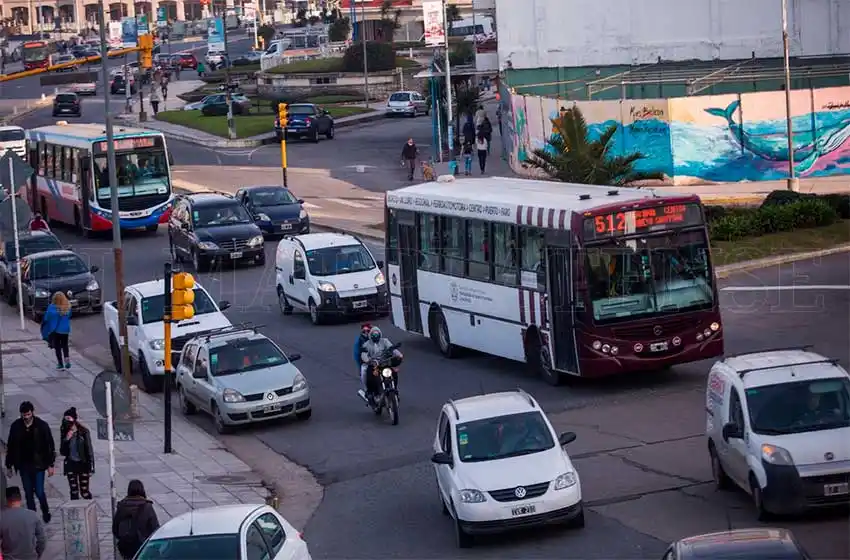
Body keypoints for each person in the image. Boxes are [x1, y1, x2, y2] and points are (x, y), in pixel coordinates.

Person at [4, 402, 56, 524]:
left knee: (39, 491)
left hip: (38, 465)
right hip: (23, 465)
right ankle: (32, 516)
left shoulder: (41, 426)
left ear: (32, 412)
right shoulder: (16, 427)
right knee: (28, 492)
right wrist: (9, 465)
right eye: (24, 415)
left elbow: (49, 446)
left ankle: (45, 511)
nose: (26, 417)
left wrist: (50, 464)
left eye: (28, 414)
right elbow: (11, 446)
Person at [113, 480, 160, 560]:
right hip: (142, 547)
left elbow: (115, 529)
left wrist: (125, 538)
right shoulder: (147, 507)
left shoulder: (121, 507)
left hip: (125, 547)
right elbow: (155, 529)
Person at [0, 486, 46, 560]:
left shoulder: (2, 517)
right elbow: (42, 541)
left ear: (6, 499)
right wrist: (37, 555)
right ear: (20, 498)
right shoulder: (33, 515)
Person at [59, 408, 94, 501]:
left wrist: (91, 467)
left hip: (83, 464)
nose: (67, 421)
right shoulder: (64, 431)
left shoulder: (84, 432)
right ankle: (75, 511)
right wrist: (66, 439)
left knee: (84, 491)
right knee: (73, 491)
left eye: (69, 418)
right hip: (71, 464)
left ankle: (90, 510)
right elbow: (62, 451)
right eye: (65, 418)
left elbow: (89, 450)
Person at [359, 327, 403, 399]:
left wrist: (399, 354)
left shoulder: (385, 341)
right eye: (374, 335)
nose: (375, 336)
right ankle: (371, 392)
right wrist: (368, 361)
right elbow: (364, 355)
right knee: (369, 376)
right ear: (371, 335)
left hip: (384, 363)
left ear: (380, 334)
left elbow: (392, 349)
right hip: (373, 365)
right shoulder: (366, 344)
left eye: (377, 334)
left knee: (394, 373)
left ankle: (395, 389)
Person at [40, 292, 72, 370]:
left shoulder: (51, 307)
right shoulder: (67, 306)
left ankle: (60, 363)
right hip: (65, 330)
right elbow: (70, 316)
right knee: (65, 345)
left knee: (57, 347)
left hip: (56, 330)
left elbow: (47, 318)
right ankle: (67, 361)